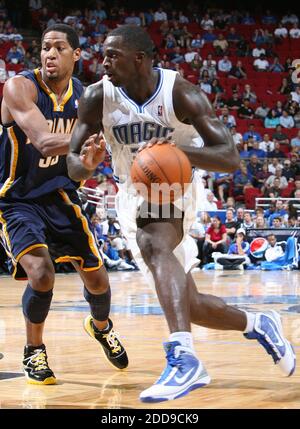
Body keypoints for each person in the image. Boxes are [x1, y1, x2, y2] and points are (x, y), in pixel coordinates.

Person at [67, 25, 296, 403]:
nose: (103, 61)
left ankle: (184, 357)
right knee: (189, 304)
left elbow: (229, 157)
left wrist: (176, 154)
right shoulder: (96, 97)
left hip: (178, 184)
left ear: (139, 59)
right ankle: (259, 323)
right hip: (131, 190)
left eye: (113, 55)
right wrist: (86, 164)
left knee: (153, 241)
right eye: (103, 54)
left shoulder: (179, 92)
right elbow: (73, 167)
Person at [0, 24, 128, 385]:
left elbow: (78, 168)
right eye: (44, 47)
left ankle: (101, 327)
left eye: (58, 48)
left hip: (60, 195)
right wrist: (103, 135)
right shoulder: (19, 87)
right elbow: (42, 141)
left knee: (99, 280)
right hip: (16, 198)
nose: (49, 54)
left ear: (76, 55)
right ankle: (33, 351)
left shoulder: (85, 97)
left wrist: (90, 161)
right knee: (41, 274)